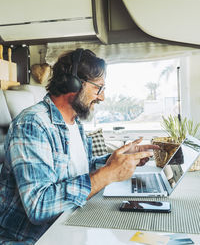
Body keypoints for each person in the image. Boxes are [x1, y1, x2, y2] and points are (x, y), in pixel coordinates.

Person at [0, 48, 158, 244]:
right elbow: (39, 206)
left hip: (69, 225)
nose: (102, 97)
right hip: (34, 239)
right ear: (73, 84)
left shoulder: (75, 124)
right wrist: (108, 174)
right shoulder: (32, 124)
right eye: (98, 88)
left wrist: (115, 160)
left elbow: (76, 171)